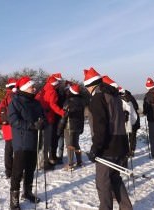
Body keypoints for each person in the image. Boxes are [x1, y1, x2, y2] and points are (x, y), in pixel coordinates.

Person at [83, 67, 133, 210]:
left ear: (90, 85)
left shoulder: (98, 97)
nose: (87, 90)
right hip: (121, 143)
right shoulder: (114, 95)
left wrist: (96, 148)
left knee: (103, 183)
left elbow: (100, 126)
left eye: (86, 87)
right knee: (115, 179)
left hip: (107, 147)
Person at [8, 76, 45, 209]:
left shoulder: (36, 102)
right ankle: (14, 200)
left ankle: (27, 192)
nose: (34, 88)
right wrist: (32, 125)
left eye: (34, 86)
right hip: (22, 142)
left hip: (35, 141)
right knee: (17, 172)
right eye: (32, 87)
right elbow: (13, 120)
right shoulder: (15, 101)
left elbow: (43, 117)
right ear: (24, 88)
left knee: (31, 169)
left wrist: (42, 123)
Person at [35, 75, 66, 170]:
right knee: (47, 142)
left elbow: (36, 100)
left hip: (41, 118)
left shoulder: (43, 89)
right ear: (55, 84)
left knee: (42, 142)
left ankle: (40, 162)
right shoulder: (52, 91)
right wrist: (62, 112)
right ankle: (45, 163)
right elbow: (53, 105)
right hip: (49, 119)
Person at [57, 83, 85, 170]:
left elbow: (64, 116)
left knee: (69, 145)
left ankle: (70, 164)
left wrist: (60, 128)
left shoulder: (68, 102)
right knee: (76, 144)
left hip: (69, 126)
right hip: (78, 126)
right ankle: (79, 161)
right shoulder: (82, 102)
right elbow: (82, 116)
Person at [0, 78, 17, 179]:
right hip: (14, 127)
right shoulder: (13, 96)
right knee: (16, 151)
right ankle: (15, 172)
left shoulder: (5, 97)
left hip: (6, 127)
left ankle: (8, 172)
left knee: (8, 150)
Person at [119, 87, 140, 157]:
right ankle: (132, 150)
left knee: (125, 136)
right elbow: (136, 107)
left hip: (125, 120)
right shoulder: (131, 97)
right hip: (135, 119)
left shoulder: (119, 99)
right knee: (133, 136)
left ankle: (126, 151)